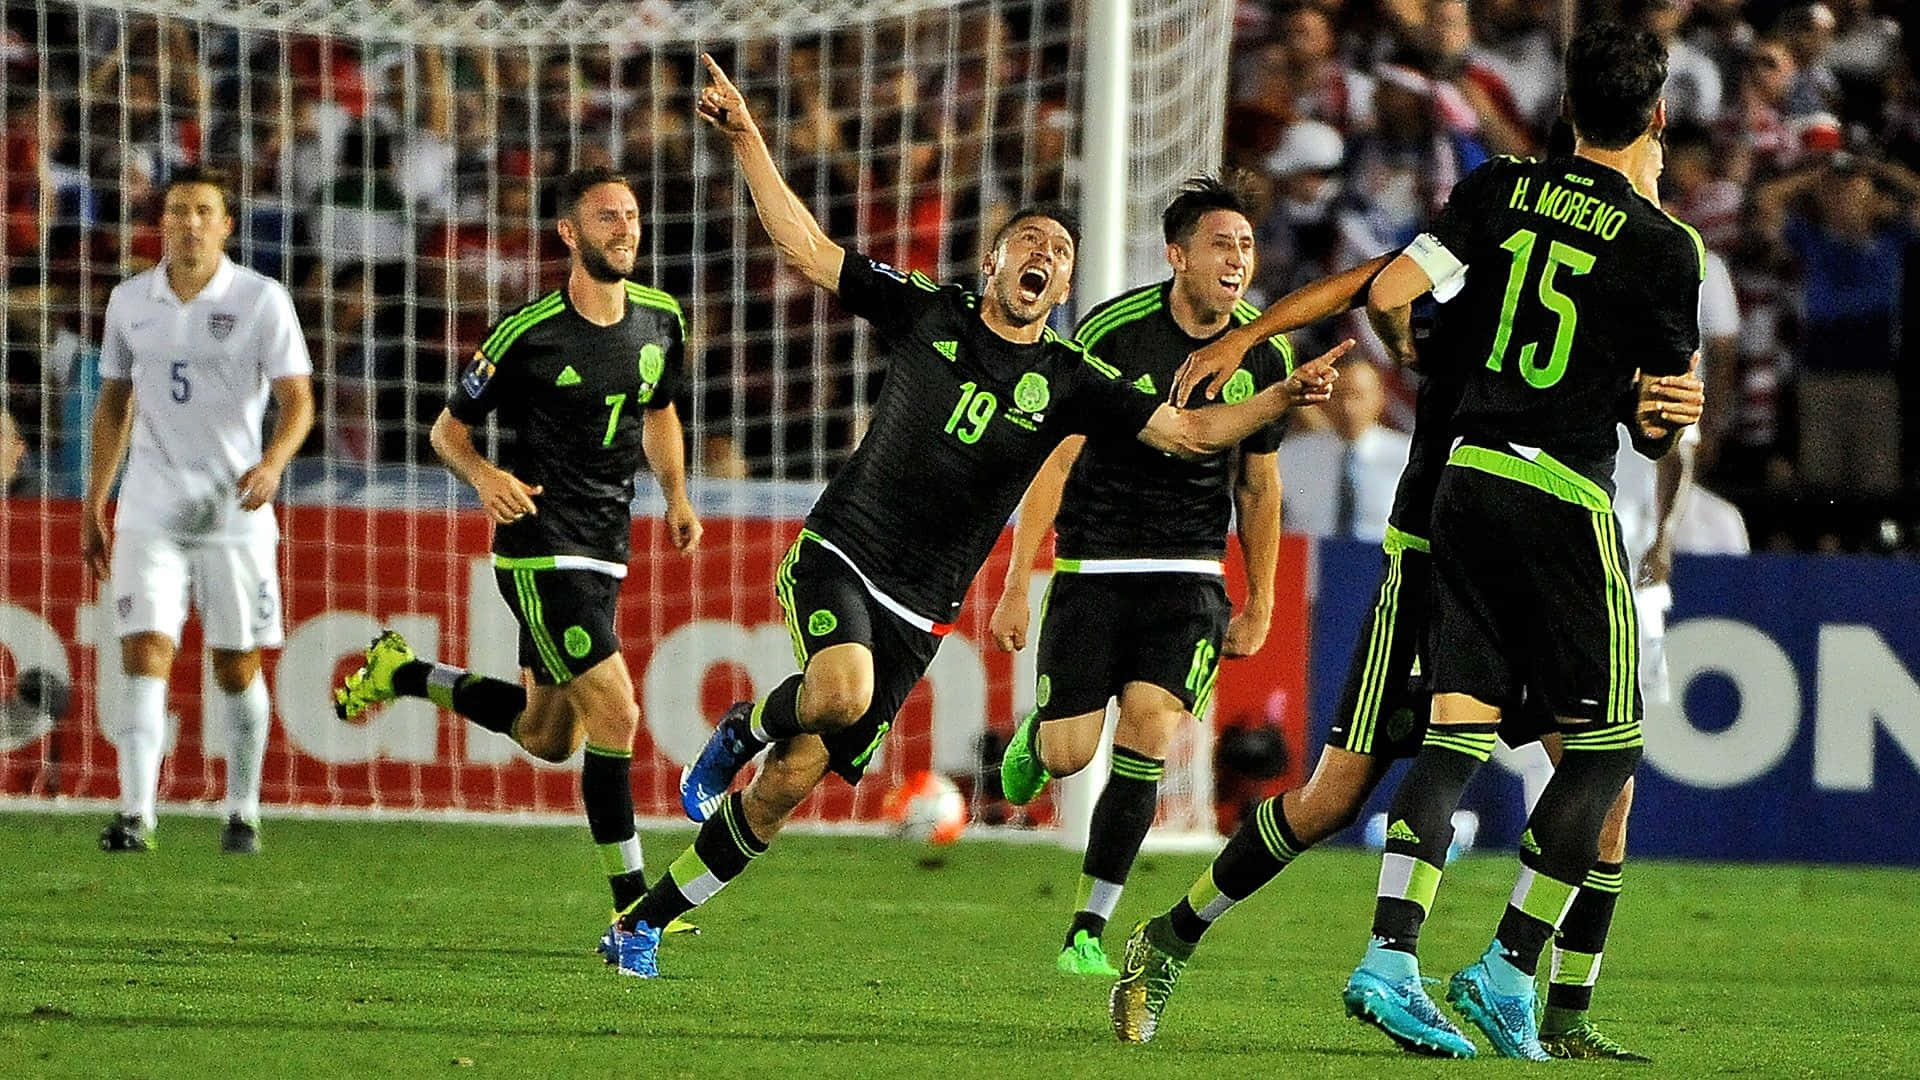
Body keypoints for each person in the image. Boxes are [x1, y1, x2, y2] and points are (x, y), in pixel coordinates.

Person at [625, 55, 1346, 981]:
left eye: (1061, 252)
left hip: (921, 608)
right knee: (836, 693)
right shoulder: (930, 312)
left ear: (1067, 281)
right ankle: (739, 728)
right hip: (844, 550)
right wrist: (752, 142)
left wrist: (1280, 390)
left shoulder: (1073, 379)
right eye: (1029, 241)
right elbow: (807, 247)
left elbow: (1190, 430)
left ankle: (646, 918)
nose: (1045, 255)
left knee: (791, 784)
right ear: (992, 260)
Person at [1336, 23, 1703, 1059]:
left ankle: (1390, 957)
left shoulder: (1498, 185)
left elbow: (1390, 294)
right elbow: (1656, 424)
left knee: (1457, 727)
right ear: (1658, 115)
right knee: (1612, 745)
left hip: (1461, 481)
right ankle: (1507, 968)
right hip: (1556, 489)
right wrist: (1649, 408)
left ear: (1570, 105)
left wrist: (1432, 365)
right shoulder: (1662, 246)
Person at [331, 167, 702, 965]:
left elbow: (661, 410)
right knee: (620, 715)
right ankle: (636, 913)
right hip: (538, 547)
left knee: (548, 736)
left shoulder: (663, 320)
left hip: (608, 547)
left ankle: (403, 674)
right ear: (569, 233)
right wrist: (486, 477)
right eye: (606, 216)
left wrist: (676, 493)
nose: (625, 228)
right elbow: (447, 431)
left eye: (632, 215)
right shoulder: (525, 333)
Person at [987, 177, 1295, 977]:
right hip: (1093, 563)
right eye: (1221, 245)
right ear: (1177, 255)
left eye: (1247, 246)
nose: (1237, 260)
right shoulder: (1114, 332)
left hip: (1190, 571)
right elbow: (1059, 452)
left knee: (1152, 728)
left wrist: (1259, 596)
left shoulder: (1266, 350)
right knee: (1064, 758)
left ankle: (1088, 928)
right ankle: (1039, 736)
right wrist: (1020, 577)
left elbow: (1258, 484)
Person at [85, 166, 316, 855]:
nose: (190, 222)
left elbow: (298, 399)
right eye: (179, 210)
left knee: (235, 665)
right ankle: (135, 813)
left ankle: (241, 810)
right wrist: (96, 495)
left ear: (226, 224)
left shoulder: (260, 299)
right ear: (163, 222)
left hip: (233, 510)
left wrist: (273, 462)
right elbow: (114, 405)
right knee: (143, 650)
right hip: (150, 504)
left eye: (204, 211)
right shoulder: (130, 301)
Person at [1274, 358, 1410, 540]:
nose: (1348, 407)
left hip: (1380, 562)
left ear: (1379, 398)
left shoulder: (1408, 456)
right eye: (1338, 396)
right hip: (1312, 563)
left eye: (1357, 396)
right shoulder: (1288, 457)